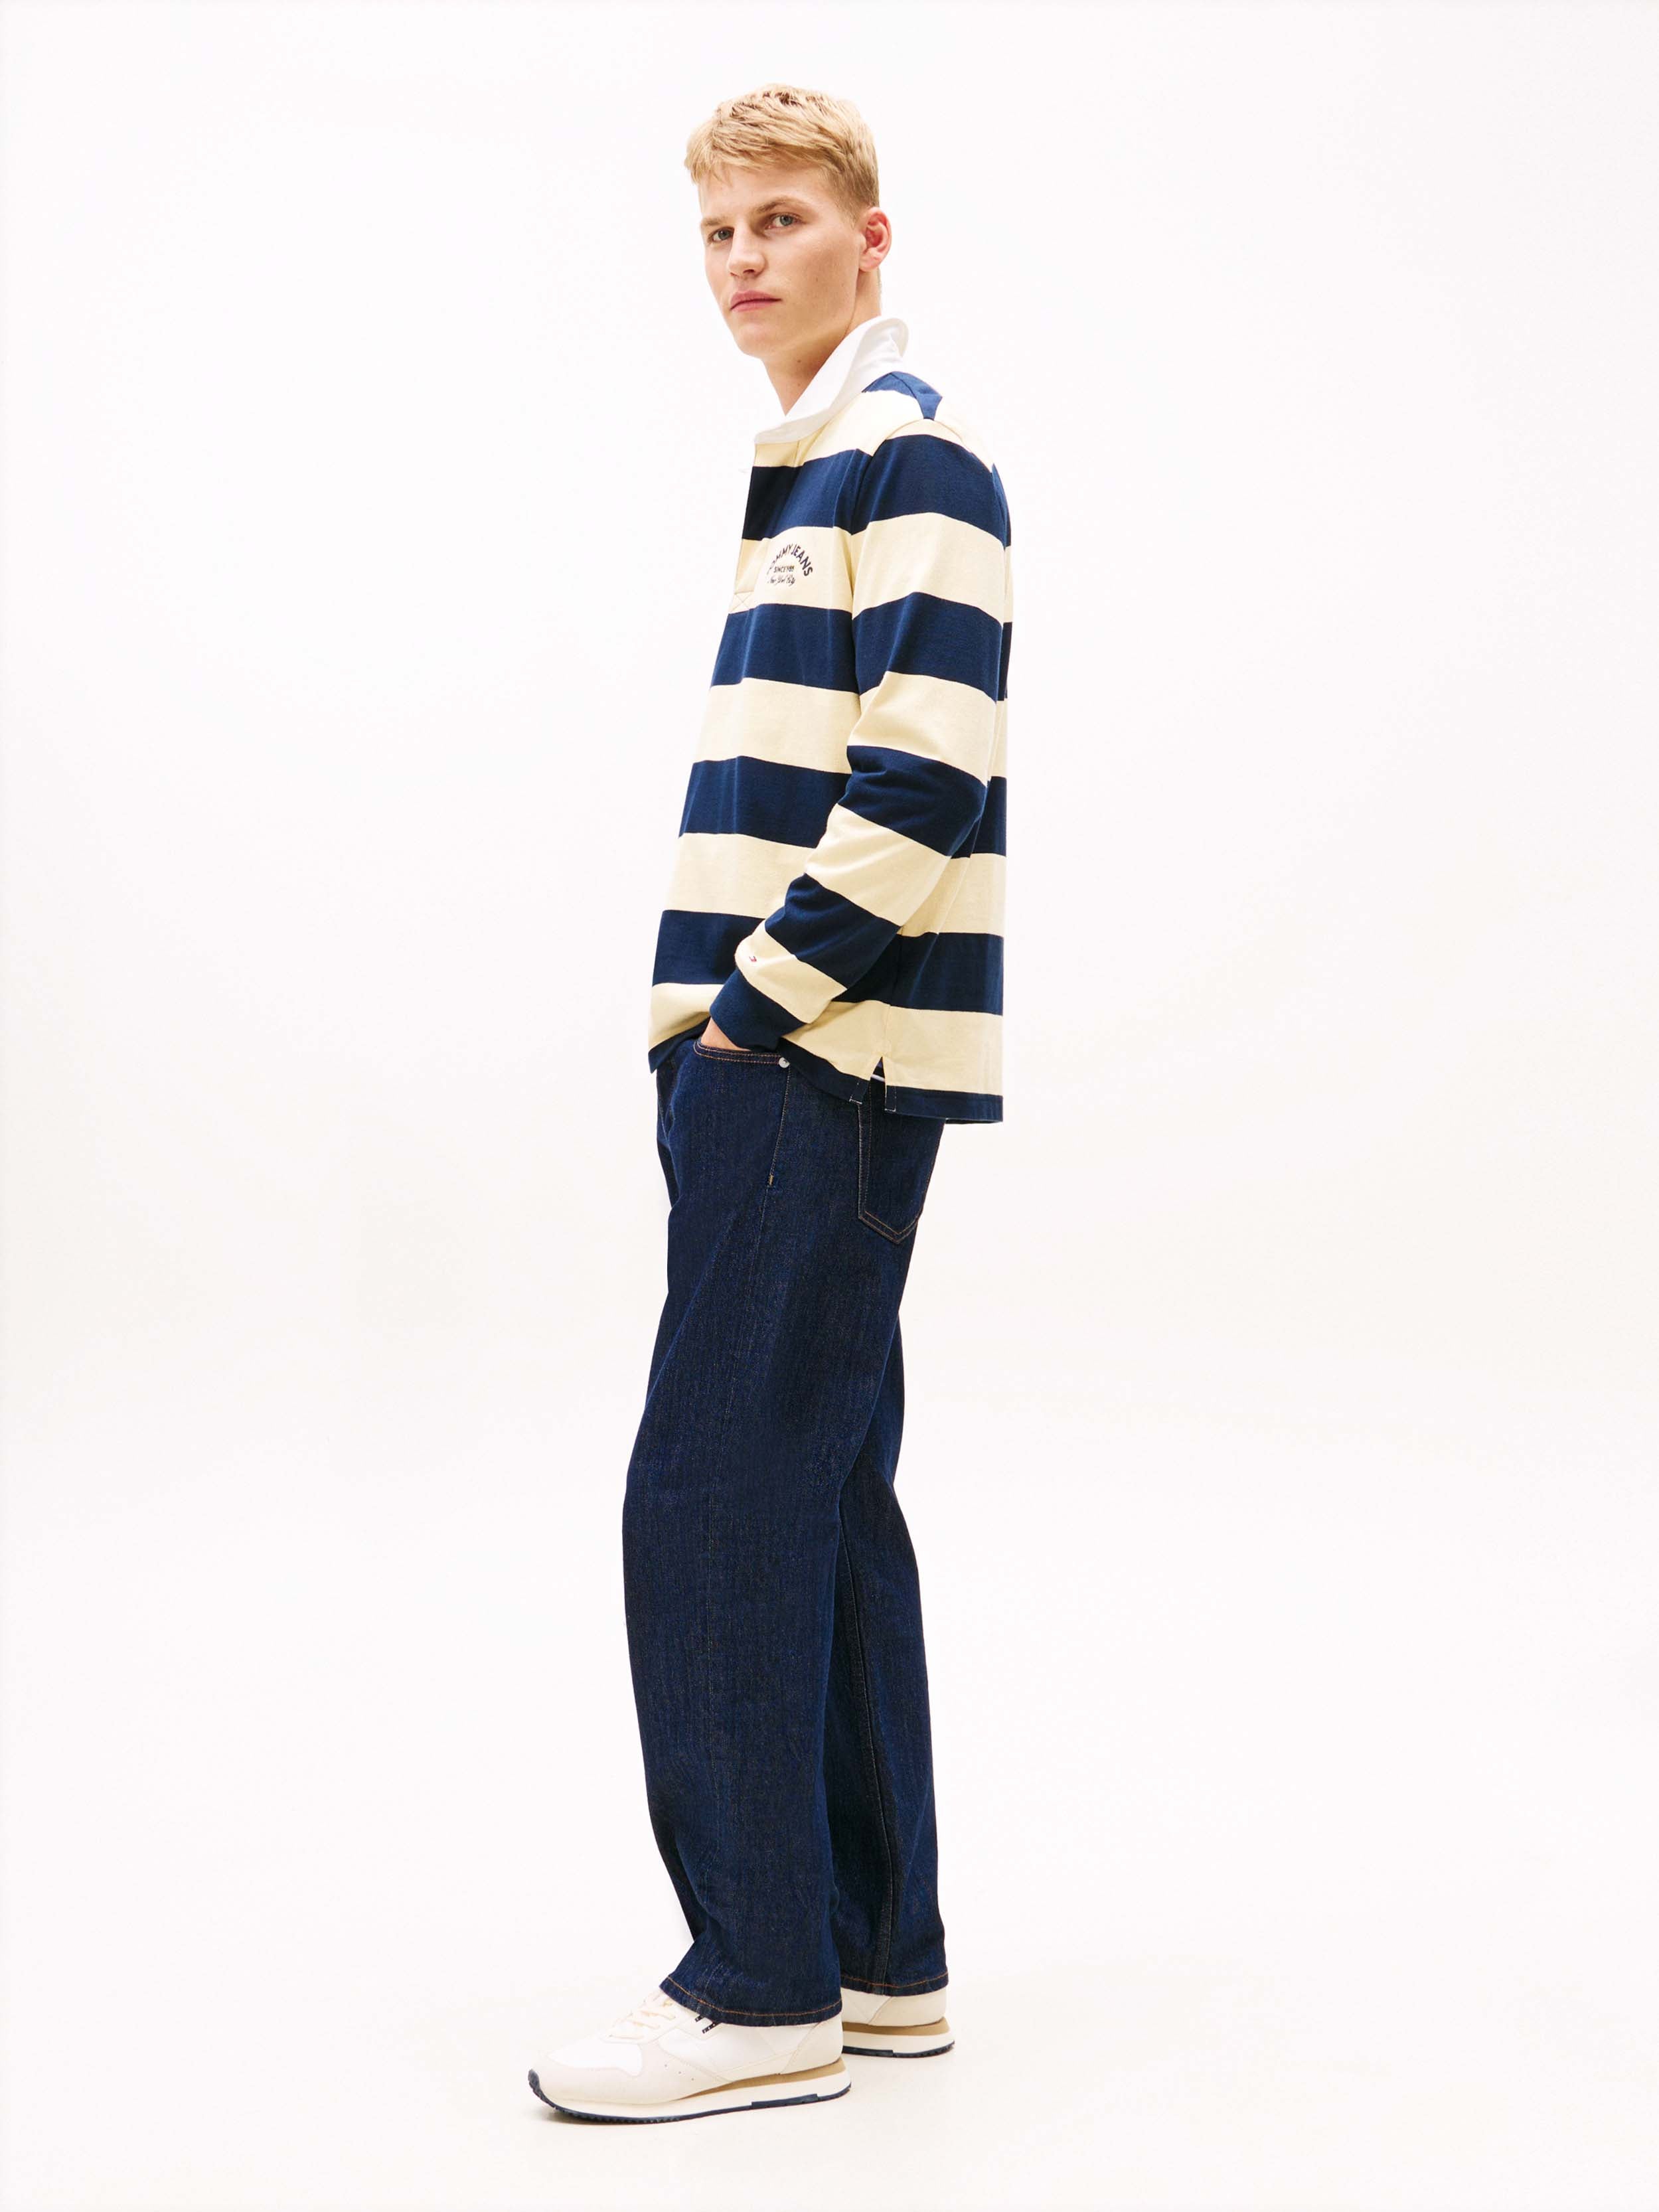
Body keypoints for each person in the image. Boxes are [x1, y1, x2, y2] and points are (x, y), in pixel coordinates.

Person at [529, 81, 1012, 2124]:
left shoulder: (908, 455)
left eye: (782, 221)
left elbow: (930, 768)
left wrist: (749, 1012)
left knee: (713, 1497)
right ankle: (875, 1962)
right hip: (801, 1058)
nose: (743, 261)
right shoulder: (812, 462)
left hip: (814, 1057)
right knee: (814, 1498)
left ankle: (754, 1988)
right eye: (720, 231)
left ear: (868, 237)